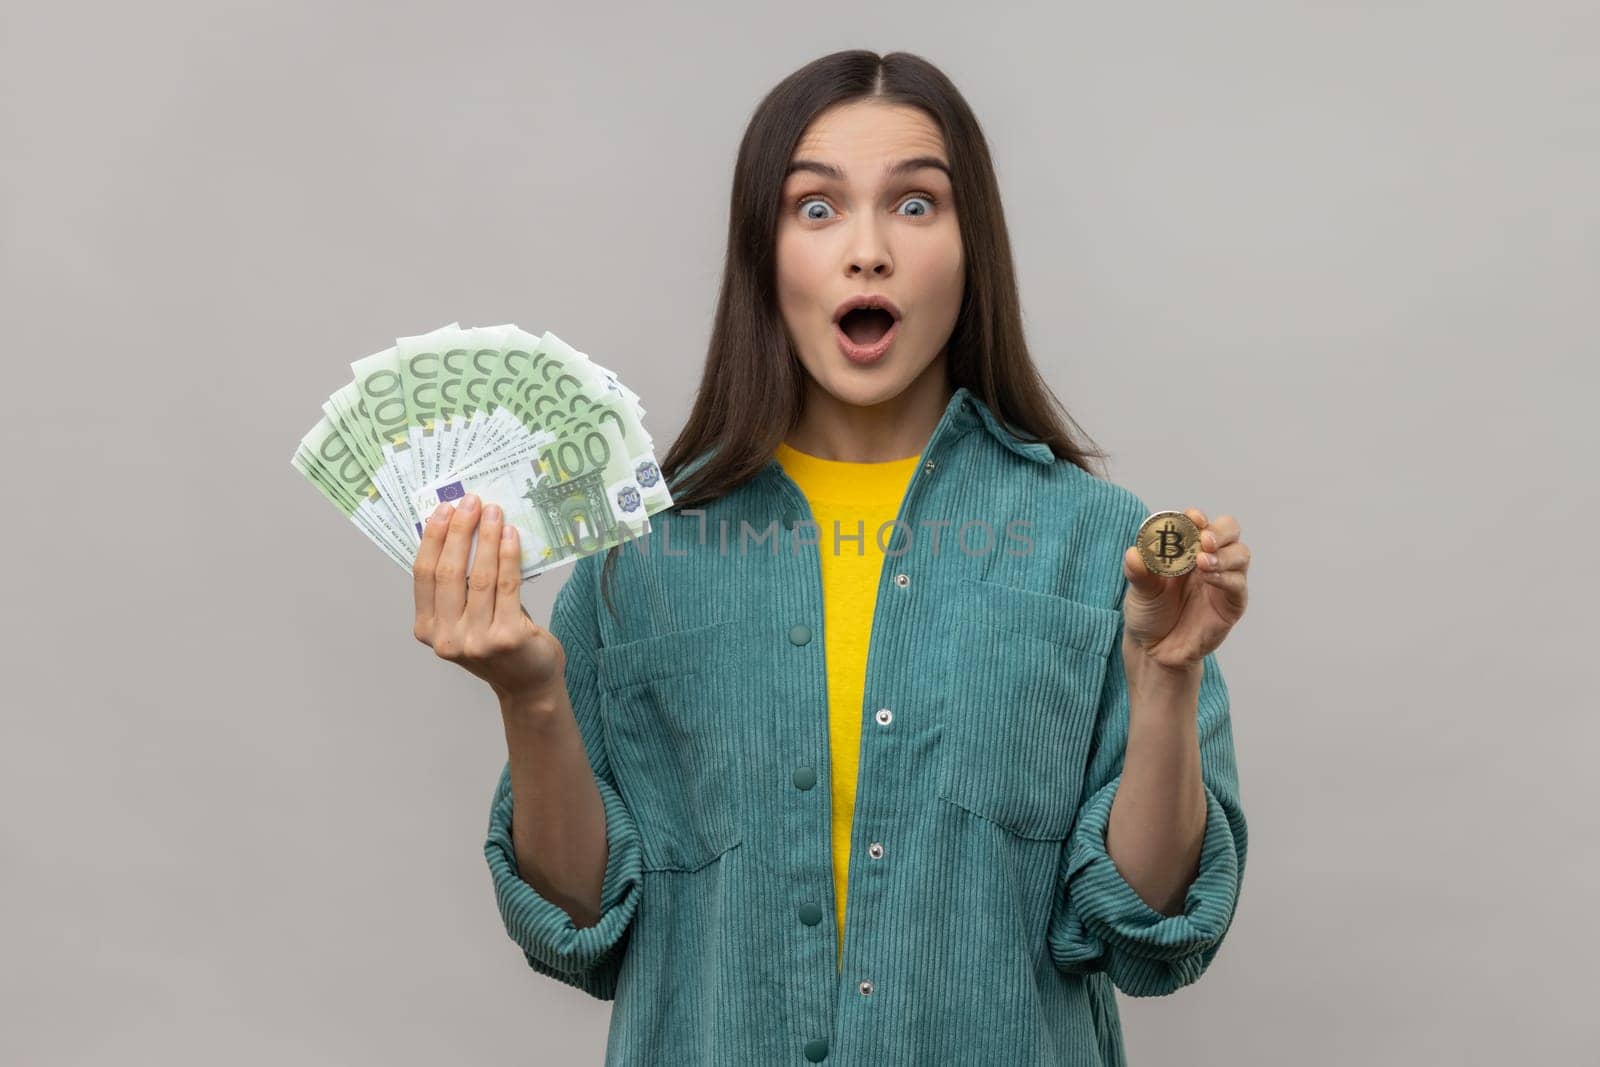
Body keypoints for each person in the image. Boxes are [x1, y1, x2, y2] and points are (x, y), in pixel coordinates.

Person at [411, 49, 1251, 1066]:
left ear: (969, 244)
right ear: (762, 253)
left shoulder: (1093, 547)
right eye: (816, 208)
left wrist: (1166, 678)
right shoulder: (642, 555)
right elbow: (576, 919)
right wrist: (531, 694)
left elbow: (1151, 927)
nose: (866, 251)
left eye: (913, 205)